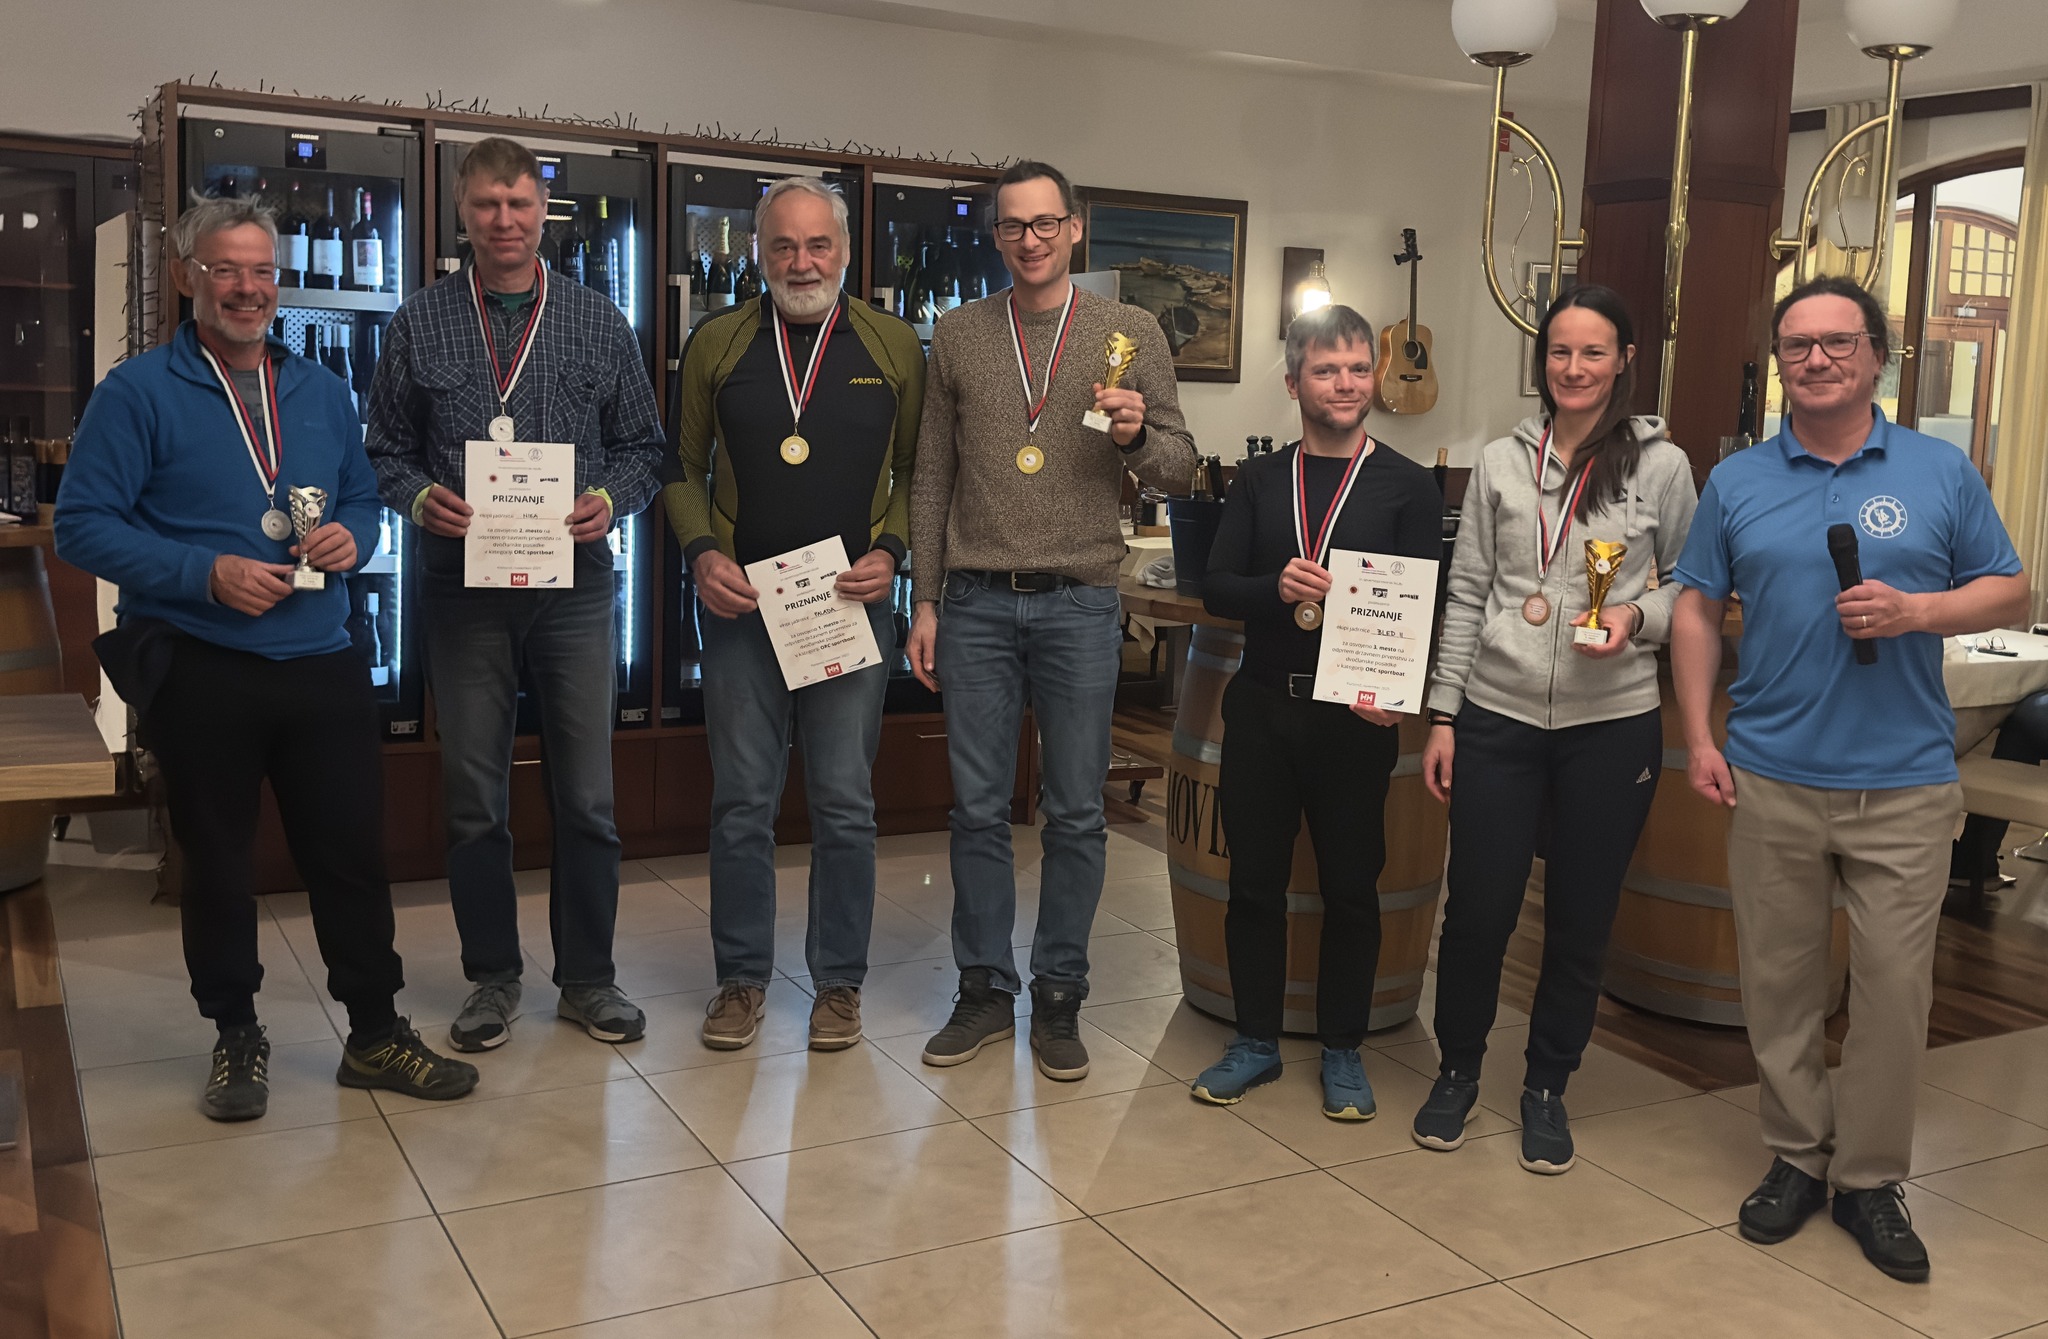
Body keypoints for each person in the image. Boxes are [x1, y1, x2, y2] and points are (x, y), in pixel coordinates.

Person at [57, 194, 478, 1119]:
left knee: (351, 855)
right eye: (225, 270)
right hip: (202, 661)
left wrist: (356, 537)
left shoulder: (320, 390)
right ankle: (236, 1033)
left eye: (261, 270)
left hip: (321, 657)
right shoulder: (136, 393)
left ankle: (375, 1032)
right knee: (216, 861)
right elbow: (81, 527)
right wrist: (203, 573)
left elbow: (362, 498)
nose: (247, 288)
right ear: (187, 278)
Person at [1672, 275, 2027, 1283]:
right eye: (1797, 345)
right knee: (1778, 986)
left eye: (1837, 342)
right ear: (1778, 364)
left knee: (1891, 993)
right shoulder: (1737, 479)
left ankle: (1868, 1179)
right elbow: (1695, 606)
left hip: (1904, 782)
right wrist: (1698, 735)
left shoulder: (1937, 469)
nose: (1816, 359)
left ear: (1876, 355)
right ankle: (1795, 1155)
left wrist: (1918, 612)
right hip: (1771, 775)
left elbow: (2010, 587)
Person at [366, 137, 665, 1051]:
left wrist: (610, 499)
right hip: (462, 591)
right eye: (487, 204)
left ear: (543, 212)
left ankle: (589, 979)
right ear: (462, 212)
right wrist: (420, 498)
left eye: (520, 204)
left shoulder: (598, 319)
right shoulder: (419, 321)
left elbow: (644, 449)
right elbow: (383, 450)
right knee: (473, 798)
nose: (504, 220)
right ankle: (492, 978)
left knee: (589, 798)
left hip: (575, 590)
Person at [907, 160, 1196, 1080]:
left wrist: (1135, 437)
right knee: (977, 810)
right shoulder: (959, 333)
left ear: (1075, 228)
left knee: (1074, 812)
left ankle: (1061, 993)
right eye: (1011, 226)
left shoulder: (1129, 331)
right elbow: (931, 474)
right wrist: (924, 599)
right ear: (995, 235)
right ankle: (984, 989)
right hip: (977, 602)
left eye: (1044, 223)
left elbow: (1181, 467)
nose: (1028, 240)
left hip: (1080, 600)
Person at [1414, 284, 1697, 1173]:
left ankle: (1546, 1087)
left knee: (1580, 918)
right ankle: (1458, 1069)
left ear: (1624, 361)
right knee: (1478, 911)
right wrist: (1444, 713)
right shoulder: (1501, 461)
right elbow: (1467, 594)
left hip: (1611, 724)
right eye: (1560, 351)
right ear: (1543, 360)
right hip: (1497, 715)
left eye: (1593, 352)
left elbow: (1690, 585)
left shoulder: (1663, 467)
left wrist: (1636, 619)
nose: (1574, 368)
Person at [666, 176, 923, 1053]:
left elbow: (918, 469)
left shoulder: (893, 344)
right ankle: (741, 979)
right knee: (743, 801)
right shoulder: (717, 341)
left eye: (818, 244)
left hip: (850, 611)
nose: (802, 262)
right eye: (783, 245)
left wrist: (893, 550)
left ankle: (838, 983)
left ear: (844, 250)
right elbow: (679, 465)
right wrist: (702, 552)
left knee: (845, 802)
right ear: (758, 253)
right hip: (742, 610)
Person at [1188, 306, 1439, 1119]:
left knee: (1352, 889)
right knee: (1254, 883)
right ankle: (1254, 1042)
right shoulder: (1260, 481)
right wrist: (1275, 588)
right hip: (1264, 709)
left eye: (1359, 368)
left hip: (1352, 723)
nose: (1346, 383)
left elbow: (1422, 606)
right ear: (1295, 382)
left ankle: (1343, 1049)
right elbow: (1216, 586)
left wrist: (1394, 692)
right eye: (1327, 370)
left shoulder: (1408, 484)